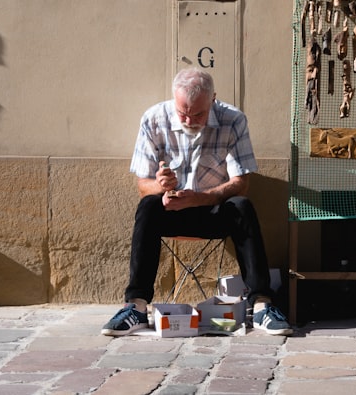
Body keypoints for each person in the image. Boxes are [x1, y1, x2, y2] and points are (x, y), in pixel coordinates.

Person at [101, 68, 293, 337]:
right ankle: (136, 305)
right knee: (147, 207)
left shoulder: (233, 119)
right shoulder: (154, 118)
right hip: (171, 210)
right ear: (173, 100)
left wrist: (201, 198)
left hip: (212, 211)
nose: (190, 119)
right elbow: (143, 186)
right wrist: (161, 187)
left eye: (199, 114)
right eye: (183, 113)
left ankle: (261, 305)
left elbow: (241, 183)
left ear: (213, 99)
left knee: (241, 206)